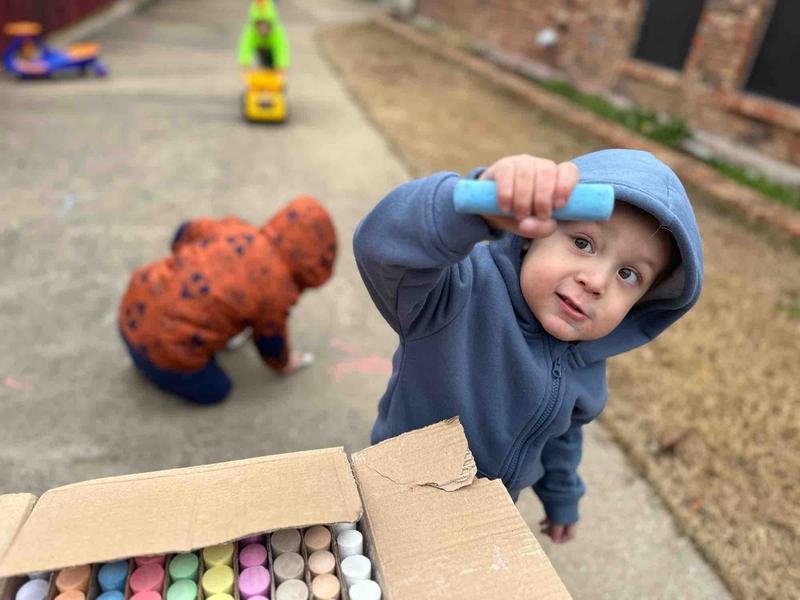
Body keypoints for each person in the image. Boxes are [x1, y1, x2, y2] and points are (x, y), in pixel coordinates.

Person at [353, 149, 703, 543]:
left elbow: (561, 435)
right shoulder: (456, 295)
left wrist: (562, 497)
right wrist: (472, 208)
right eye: (584, 243)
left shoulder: (585, 362)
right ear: (530, 236)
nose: (596, 281)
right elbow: (381, 247)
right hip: (398, 495)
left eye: (628, 274)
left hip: (489, 514)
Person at [119, 196, 336, 405]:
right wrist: (283, 364)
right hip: (163, 353)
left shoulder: (235, 229)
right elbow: (270, 341)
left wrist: (185, 267)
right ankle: (155, 369)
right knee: (217, 390)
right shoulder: (278, 291)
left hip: (130, 311)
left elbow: (184, 230)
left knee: (203, 313)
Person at [237, 0, 289, 71]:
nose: (262, 29)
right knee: (264, 64)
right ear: (255, 25)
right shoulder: (251, 32)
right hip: (261, 48)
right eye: (260, 25)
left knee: (273, 64)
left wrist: (282, 65)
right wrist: (245, 62)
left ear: (270, 24)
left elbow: (282, 49)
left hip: (272, 48)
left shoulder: (277, 32)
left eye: (265, 25)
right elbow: (245, 47)